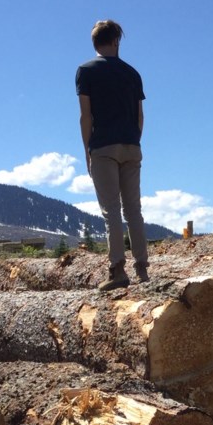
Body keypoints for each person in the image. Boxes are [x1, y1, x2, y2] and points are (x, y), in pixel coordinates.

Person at [76, 19, 149, 291]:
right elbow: (140, 116)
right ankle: (142, 269)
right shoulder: (133, 73)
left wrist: (87, 149)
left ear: (94, 42)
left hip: (103, 147)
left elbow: (86, 115)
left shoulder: (86, 71)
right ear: (116, 41)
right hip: (131, 145)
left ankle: (117, 269)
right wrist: (134, 142)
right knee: (134, 210)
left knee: (111, 212)